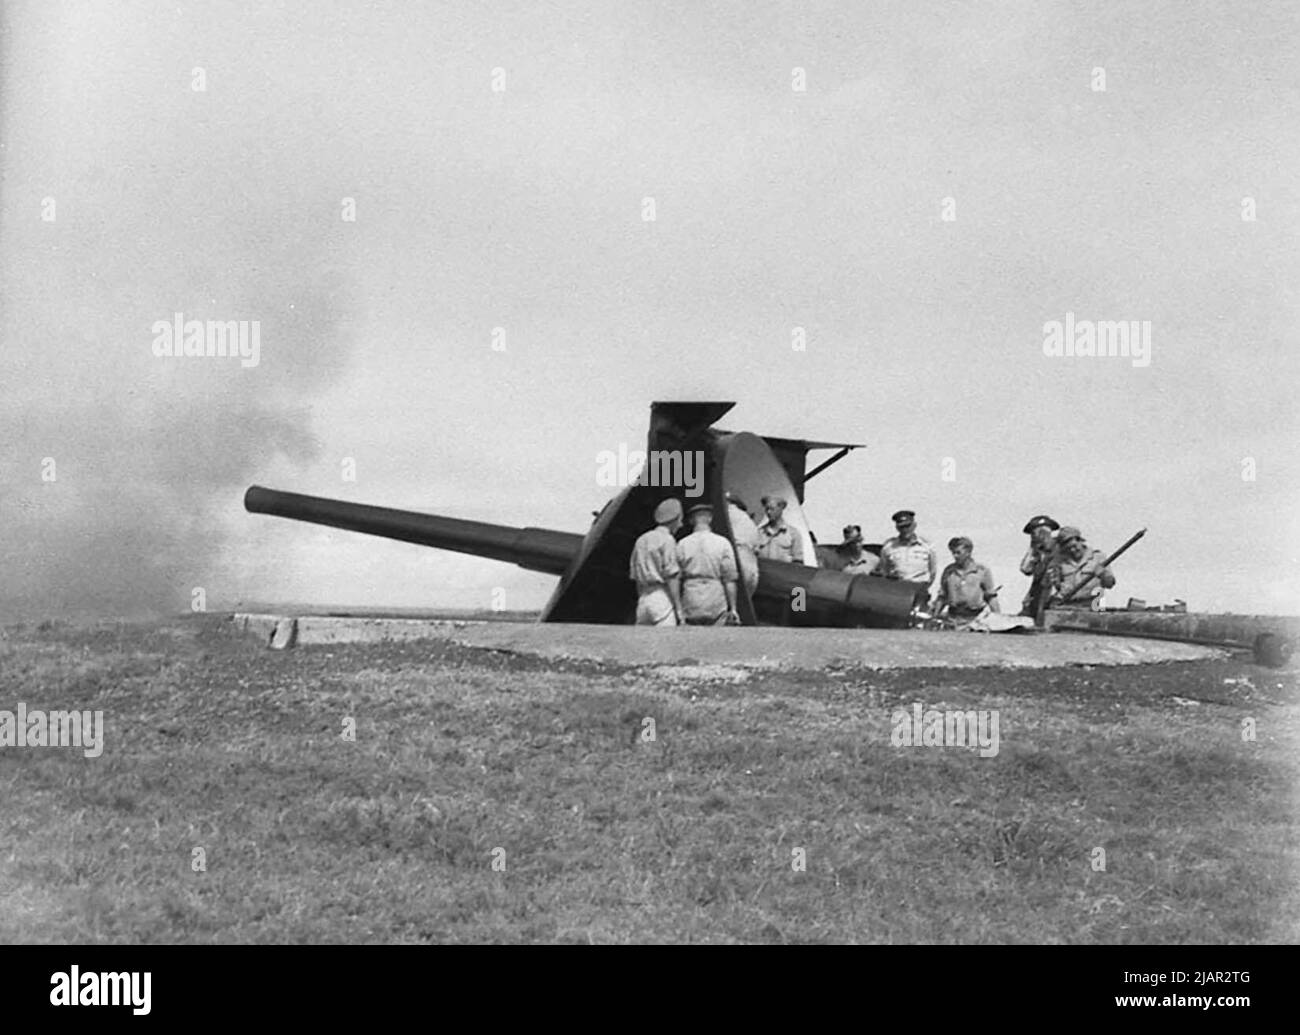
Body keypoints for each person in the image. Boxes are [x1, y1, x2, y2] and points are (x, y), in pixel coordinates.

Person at [675, 503, 741, 625]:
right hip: (715, 599)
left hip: (691, 598)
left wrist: (678, 608)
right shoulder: (723, 543)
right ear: (710, 519)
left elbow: (676, 578)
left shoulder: (682, 544)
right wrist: (733, 608)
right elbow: (730, 579)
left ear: (691, 521)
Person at [628, 497, 684, 625]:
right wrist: (679, 609)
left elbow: (635, 576)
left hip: (643, 600)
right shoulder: (668, 540)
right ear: (675, 520)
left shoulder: (641, 540)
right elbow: (672, 576)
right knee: (666, 642)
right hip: (661, 598)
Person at [934, 537, 1000, 627]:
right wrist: (935, 616)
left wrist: (998, 619)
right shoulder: (949, 571)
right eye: (953, 553)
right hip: (953, 619)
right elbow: (942, 596)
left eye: (958, 553)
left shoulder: (982, 571)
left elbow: (991, 597)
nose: (955, 556)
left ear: (968, 552)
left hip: (976, 620)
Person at [1047, 526, 1115, 610]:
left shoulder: (1098, 558)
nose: (1072, 550)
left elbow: (1110, 584)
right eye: (1068, 549)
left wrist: (1103, 574)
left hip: (1093, 605)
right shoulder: (1060, 562)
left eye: (1074, 546)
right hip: (1069, 606)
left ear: (1080, 541)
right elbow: (1057, 587)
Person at [876, 510, 938, 588]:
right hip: (897, 590)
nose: (905, 530)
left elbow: (932, 571)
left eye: (907, 526)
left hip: (919, 589)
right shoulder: (889, 547)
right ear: (897, 528)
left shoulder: (926, 546)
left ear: (914, 525)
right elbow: (884, 570)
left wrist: (925, 588)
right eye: (901, 527)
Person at [1019, 514, 1061, 616]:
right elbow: (1025, 569)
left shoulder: (1061, 548)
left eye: (1041, 532)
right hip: (1037, 595)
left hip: (1054, 595)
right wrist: (1032, 549)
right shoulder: (1037, 552)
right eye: (1034, 534)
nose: (1035, 536)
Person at [725, 492, 761, 599]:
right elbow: (757, 550)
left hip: (736, 559)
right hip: (752, 568)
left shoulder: (729, 513)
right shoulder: (750, 522)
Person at [756, 495, 805, 564]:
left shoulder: (793, 533)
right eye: (767, 509)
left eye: (772, 509)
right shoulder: (759, 533)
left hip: (785, 573)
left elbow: (798, 561)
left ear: (780, 509)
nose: (769, 512)